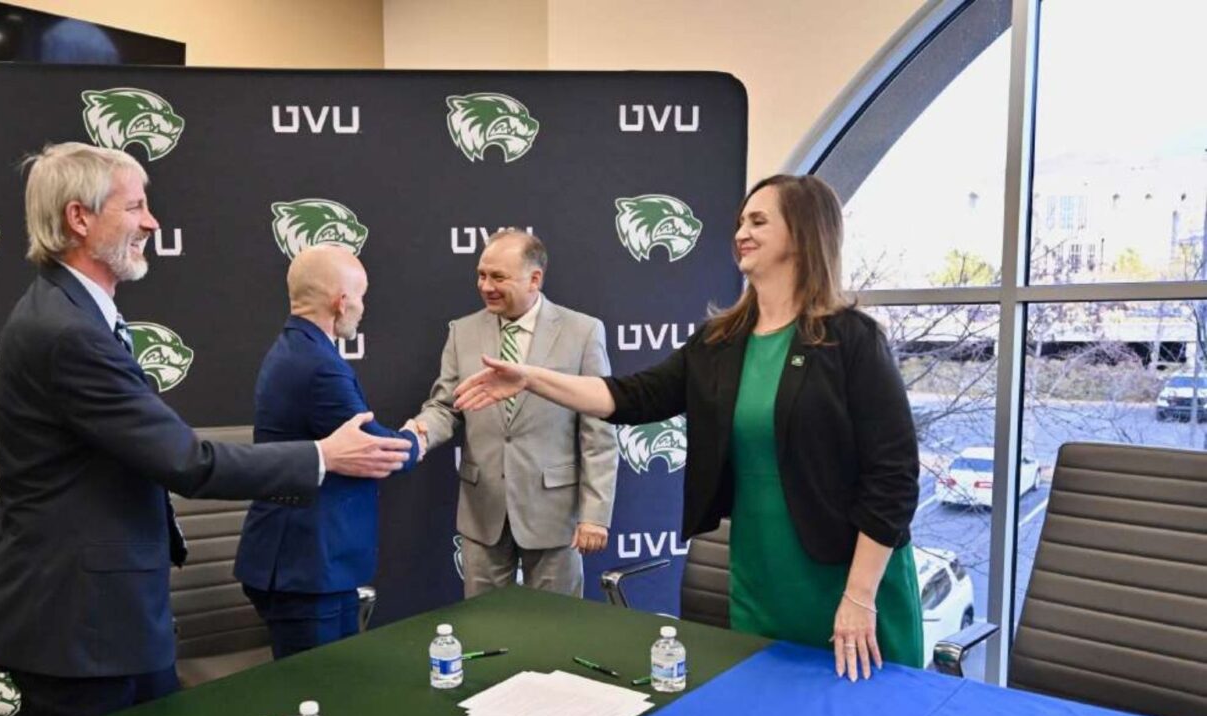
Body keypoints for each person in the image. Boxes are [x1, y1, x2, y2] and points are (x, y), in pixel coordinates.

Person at [0, 143, 412, 716]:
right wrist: (324, 455)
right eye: (136, 207)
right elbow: (185, 461)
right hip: (80, 631)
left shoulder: (74, 315)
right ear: (80, 219)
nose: (152, 223)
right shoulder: (65, 331)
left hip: (106, 621)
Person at [453, 175, 923, 679]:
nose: (741, 231)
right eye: (741, 220)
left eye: (758, 221)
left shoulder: (851, 339)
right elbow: (627, 397)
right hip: (760, 577)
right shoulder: (721, 342)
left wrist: (859, 596)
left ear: (804, 232)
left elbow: (893, 478)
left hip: (850, 585)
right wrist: (529, 378)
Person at [234, 246, 421, 658]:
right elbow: (377, 449)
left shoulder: (295, 349)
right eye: (361, 296)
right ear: (341, 301)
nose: (363, 307)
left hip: (306, 564)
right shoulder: (320, 365)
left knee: (328, 692)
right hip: (307, 567)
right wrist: (421, 437)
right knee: (316, 697)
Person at [408, 230, 618, 598]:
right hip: (483, 511)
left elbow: (598, 431)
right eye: (481, 274)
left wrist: (595, 514)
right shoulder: (462, 332)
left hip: (553, 515)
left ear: (535, 279)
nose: (485, 285)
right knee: (485, 630)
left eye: (498, 277)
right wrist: (419, 433)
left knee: (557, 631)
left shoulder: (583, 332)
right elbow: (445, 405)